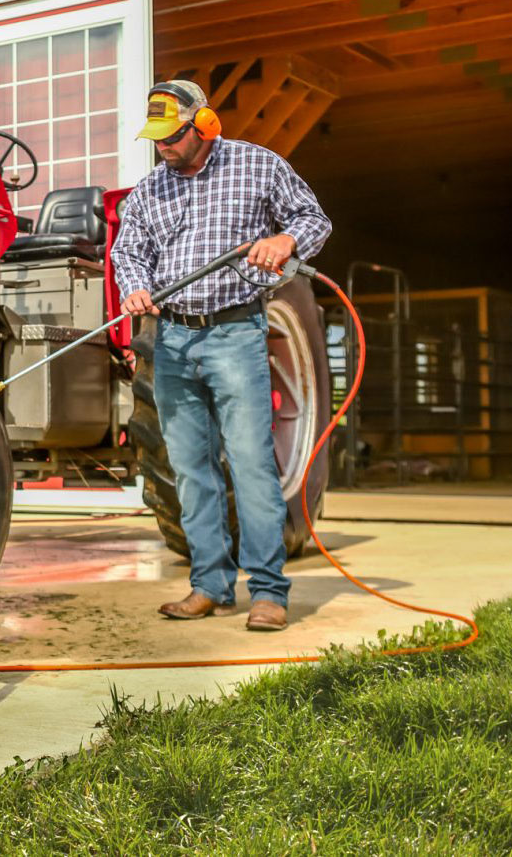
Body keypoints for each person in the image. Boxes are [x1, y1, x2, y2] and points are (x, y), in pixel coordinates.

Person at [110, 79, 331, 632]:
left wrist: (286, 242)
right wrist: (134, 286)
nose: (162, 146)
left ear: (204, 125)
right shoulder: (149, 190)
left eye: (173, 135)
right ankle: (210, 586)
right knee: (190, 470)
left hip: (235, 334)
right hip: (173, 341)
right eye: (155, 137)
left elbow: (313, 219)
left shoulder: (258, 167)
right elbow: (127, 250)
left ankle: (268, 592)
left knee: (253, 465)